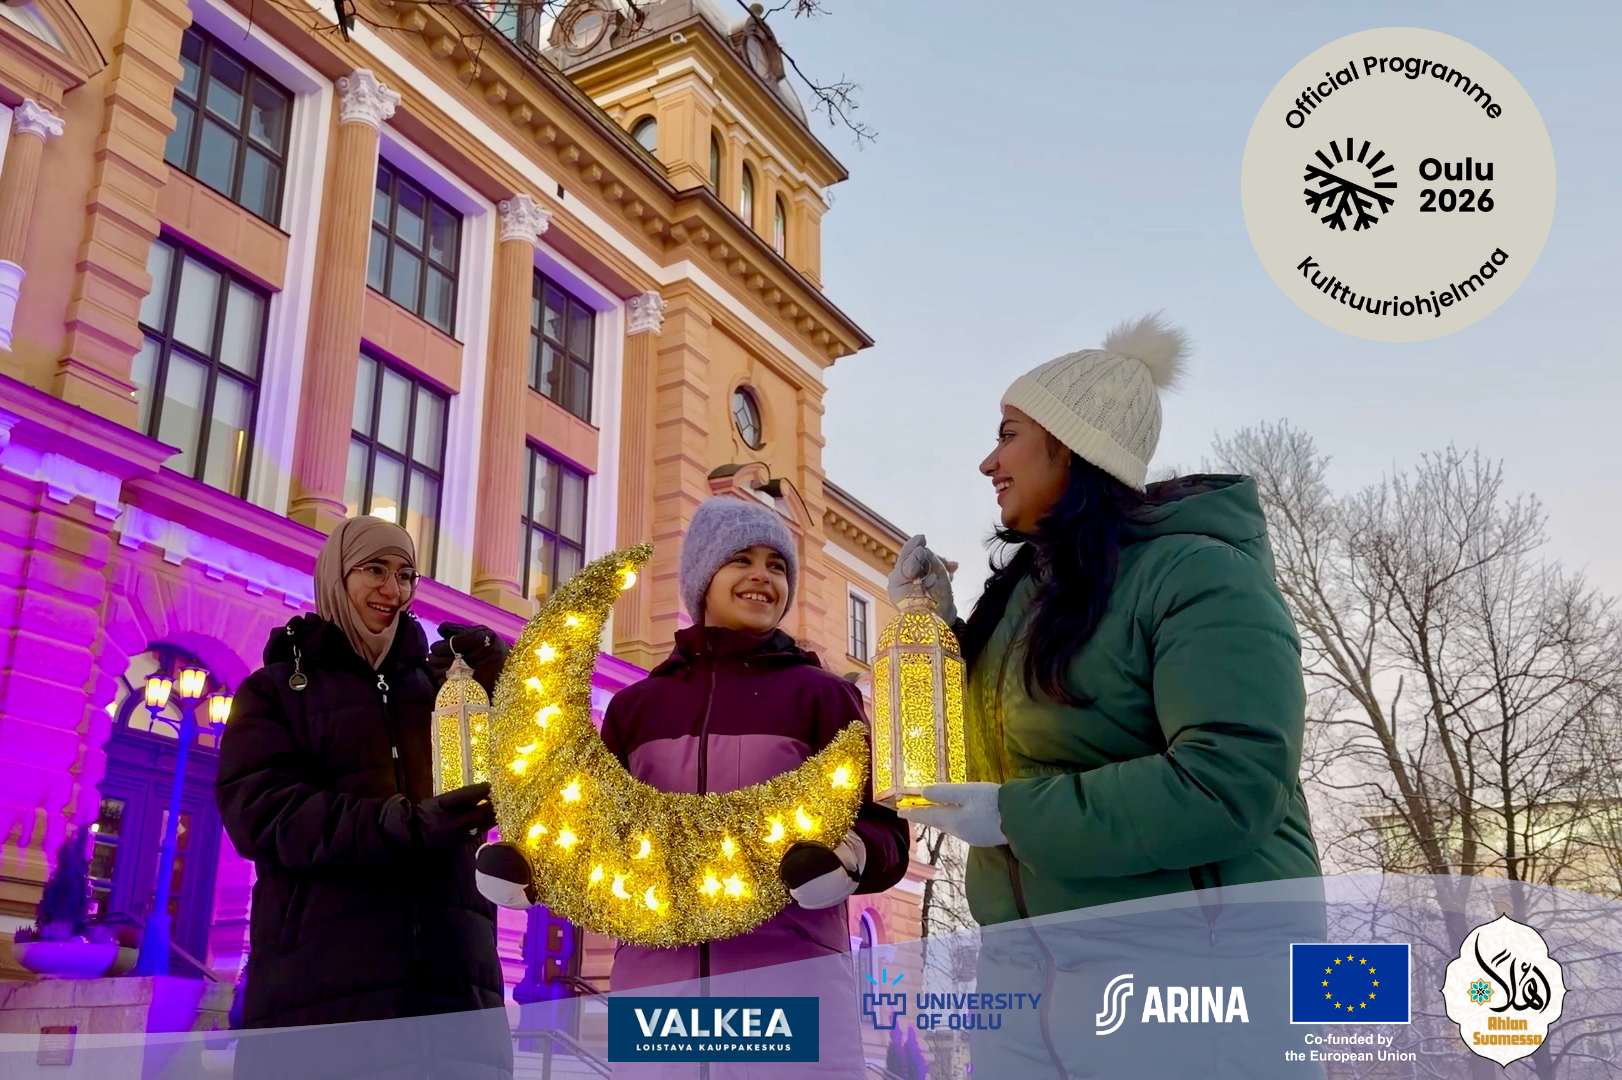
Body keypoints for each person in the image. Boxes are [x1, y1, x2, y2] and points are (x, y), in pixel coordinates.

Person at [889, 314, 1324, 1078]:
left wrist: (1012, 814)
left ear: (1072, 443)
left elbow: (1230, 784)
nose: (989, 459)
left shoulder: (1199, 576)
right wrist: (933, 631)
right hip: (1030, 988)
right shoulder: (1029, 596)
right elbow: (979, 757)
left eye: (1009, 433)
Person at [476, 495, 910, 1080]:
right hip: (656, 996)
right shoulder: (638, 707)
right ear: (702, 577)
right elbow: (594, 831)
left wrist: (849, 856)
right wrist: (535, 869)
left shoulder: (823, 696)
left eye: (776, 565)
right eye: (741, 559)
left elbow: (886, 827)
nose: (762, 576)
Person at [215, 516, 515, 1080]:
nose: (393, 589)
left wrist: (507, 685)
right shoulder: (276, 690)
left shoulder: (440, 691)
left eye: (405, 575)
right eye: (374, 570)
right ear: (336, 577)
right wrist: (400, 826)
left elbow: (534, 770)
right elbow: (259, 810)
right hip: (325, 994)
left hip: (453, 990)